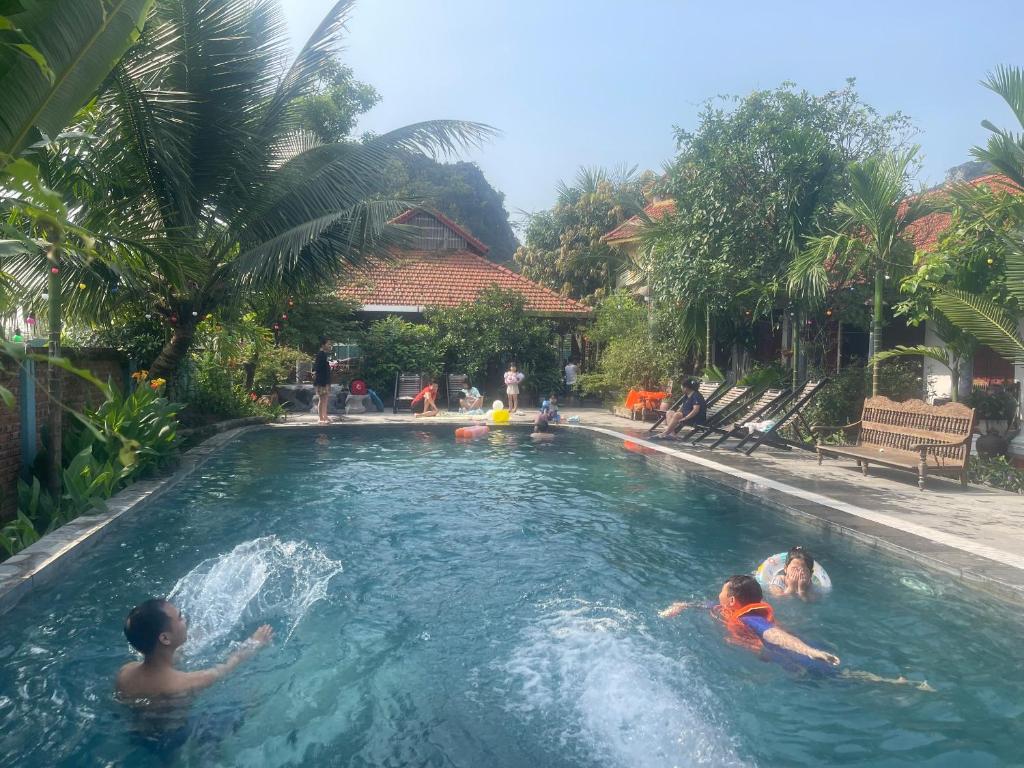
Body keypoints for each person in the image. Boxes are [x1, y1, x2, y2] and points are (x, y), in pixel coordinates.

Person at [660, 575, 931, 689]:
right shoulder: (729, 609)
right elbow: (705, 605)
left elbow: (775, 635)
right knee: (827, 681)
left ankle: (895, 683)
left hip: (792, 653)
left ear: (732, 601)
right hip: (784, 655)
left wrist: (809, 651)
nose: (718, 593)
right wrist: (681, 605)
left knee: (841, 678)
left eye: (723, 590)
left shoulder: (752, 619)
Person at [116, 599, 273, 699]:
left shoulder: (125, 673)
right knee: (254, 696)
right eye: (180, 617)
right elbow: (228, 667)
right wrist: (254, 643)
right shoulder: (187, 683)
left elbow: (162, 658)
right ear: (165, 638)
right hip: (180, 740)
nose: (185, 620)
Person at [313, 337, 332, 424]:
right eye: (328, 344)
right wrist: (320, 382)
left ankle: (325, 416)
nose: (330, 346)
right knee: (322, 398)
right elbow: (317, 368)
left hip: (326, 380)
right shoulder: (320, 355)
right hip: (321, 381)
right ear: (323, 345)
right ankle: (320, 418)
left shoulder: (324, 355)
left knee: (326, 398)